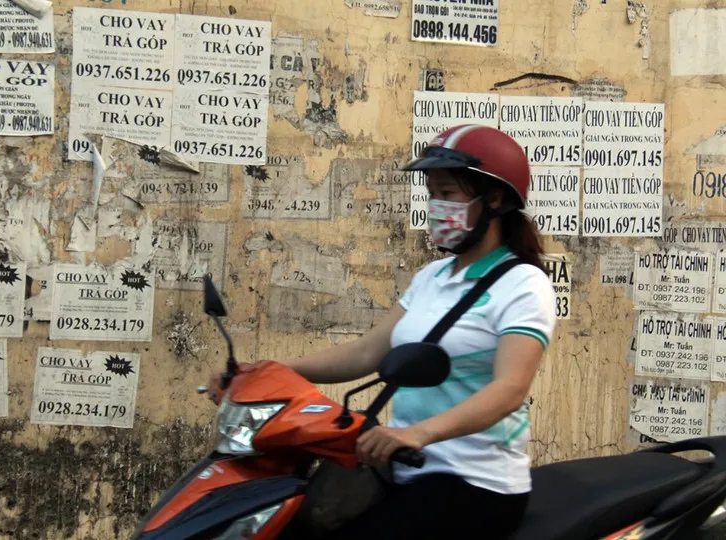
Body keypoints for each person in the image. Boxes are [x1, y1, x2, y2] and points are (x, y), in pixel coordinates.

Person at [208, 124, 557, 539]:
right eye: (433, 194)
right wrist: (265, 373)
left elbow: (509, 390)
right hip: (400, 469)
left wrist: (416, 433)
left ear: (494, 199)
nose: (435, 206)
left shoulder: (522, 284)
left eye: (448, 194)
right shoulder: (432, 276)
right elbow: (365, 353)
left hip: (474, 483)